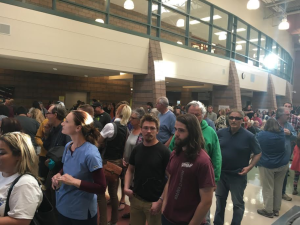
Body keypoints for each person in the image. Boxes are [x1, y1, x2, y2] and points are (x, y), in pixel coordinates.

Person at [169, 101, 221, 225]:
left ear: (203, 116)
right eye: (190, 114)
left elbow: (216, 157)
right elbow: (172, 149)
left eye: (196, 115)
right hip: (182, 178)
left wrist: (215, 180)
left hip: (202, 179)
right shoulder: (180, 130)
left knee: (203, 213)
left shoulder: (210, 132)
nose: (193, 118)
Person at [51, 110, 106, 225]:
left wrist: (74, 181)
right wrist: (58, 175)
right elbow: (66, 167)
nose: (62, 123)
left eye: (66, 121)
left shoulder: (90, 153)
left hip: (80, 212)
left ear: (78, 128)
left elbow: (101, 187)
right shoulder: (68, 146)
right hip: (64, 205)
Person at [214, 110, 262, 225]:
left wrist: (249, 167)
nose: (233, 120)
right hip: (221, 175)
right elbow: (215, 151)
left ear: (242, 120)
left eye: (237, 118)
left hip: (238, 176)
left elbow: (258, 152)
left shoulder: (249, 136)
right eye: (231, 118)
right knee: (220, 202)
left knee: (237, 204)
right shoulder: (220, 133)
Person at [124, 114, 170, 225]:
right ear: (141, 129)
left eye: (152, 128)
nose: (148, 131)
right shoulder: (137, 149)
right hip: (136, 198)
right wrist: (126, 187)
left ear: (157, 131)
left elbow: (171, 178)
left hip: (154, 201)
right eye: (145, 128)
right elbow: (130, 170)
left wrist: (161, 200)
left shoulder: (164, 152)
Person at [97, 104, 131, 225]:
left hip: (107, 162)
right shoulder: (126, 129)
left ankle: (103, 222)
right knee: (114, 193)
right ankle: (114, 220)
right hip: (118, 163)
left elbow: (99, 142)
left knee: (101, 193)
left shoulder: (110, 126)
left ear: (117, 112)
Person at [0, 132, 43, 224]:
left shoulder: (25, 183)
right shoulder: (2, 173)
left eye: (1, 153)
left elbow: (21, 221)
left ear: (19, 155)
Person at [256, 118, 289, 218]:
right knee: (278, 187)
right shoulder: (282, 134)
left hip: (267, 165)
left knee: (268, 187)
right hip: (282, 164)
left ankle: (268, 210)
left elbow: (255, 140)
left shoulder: (261, 135)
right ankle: (276, 209)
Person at [42, 104, 71, 204]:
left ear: (55, 114)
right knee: (48, 195)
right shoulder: (53, 129)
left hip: (60, 171)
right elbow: (47, 146)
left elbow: (68, 153)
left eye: (48, 113)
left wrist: (55, 161)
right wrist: (46, 133)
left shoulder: (65, 131)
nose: (46, 115)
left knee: (55, 200)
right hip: (52, 169)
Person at [120, 108, 145, 218]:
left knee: (136, 191)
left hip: (136, 168)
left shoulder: (142, 134)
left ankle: (137, 214)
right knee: (129, 189)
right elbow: (126, 146)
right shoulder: (131, 130)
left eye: (133, 118)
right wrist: (123, 158)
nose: (130, 120)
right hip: (127, 165)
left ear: (139, 120)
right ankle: (133, 212)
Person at [277, 107, 297, 201]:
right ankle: (273, 194)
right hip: (273, 155)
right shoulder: (272, 123)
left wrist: (290, 134)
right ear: (281, 115)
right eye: (287, 115)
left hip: (285, 155)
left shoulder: (289, 125)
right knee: (273, 175)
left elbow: (295, 136)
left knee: (284, 174)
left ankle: (282, 193)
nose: (289, 116)